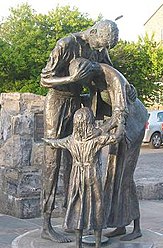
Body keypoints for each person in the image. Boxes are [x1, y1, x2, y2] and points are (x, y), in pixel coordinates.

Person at [40, 19, 120, 242]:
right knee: (52, 162)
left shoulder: (99, 47)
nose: (99, 50)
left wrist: (125, 90)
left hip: (77, 103)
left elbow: (110, 73)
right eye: (99, 44)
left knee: (74, 162)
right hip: (56, 102)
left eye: (103, 47)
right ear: (93, 32)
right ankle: (46, 225)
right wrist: (71, 78)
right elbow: (44, 79)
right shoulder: (66, 44)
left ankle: (71, 220)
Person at [67, 58, 148, 241]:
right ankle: (120, 225)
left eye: (82, 82)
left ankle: (136, 227)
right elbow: (98, 105)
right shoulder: (96, 80)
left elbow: (120, 114)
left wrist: (98, 132)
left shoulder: (113, 78)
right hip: (120, 129)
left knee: (125, 177)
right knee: (113, 176)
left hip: (132, 128)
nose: (84, 85)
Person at [42, 107, 124, 248]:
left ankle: (78, 244)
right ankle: (98, 243)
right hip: (92, 176)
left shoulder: (71, 140)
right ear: (90, 122)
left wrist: (47, 140)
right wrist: (121, 123)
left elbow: (55, 143)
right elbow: (117, 137)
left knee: (77, 206)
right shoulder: (97, 140)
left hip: (77, 177)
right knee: (97, 204)